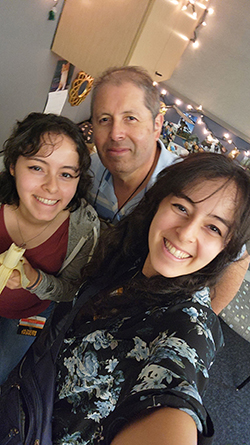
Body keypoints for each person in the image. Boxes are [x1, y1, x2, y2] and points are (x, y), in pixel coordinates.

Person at [32, 152, 250, 444]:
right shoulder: (130, 256)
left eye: (213, 227)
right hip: (29, 400)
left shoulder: (188, 328)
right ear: (159, 202)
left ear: (225, 248)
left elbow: (175, 395)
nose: (185, 233)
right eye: (182, 207)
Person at [88, 65, 249, 315]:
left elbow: (238, 259)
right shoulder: (91, 169)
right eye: (104, 119)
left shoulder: (188, 185)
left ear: (157, 125)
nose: (116, 133)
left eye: (130, 118)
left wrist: (203, 320)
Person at [0, 112, 100, 385]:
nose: (52, 187)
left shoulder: (83, 226)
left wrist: (34, 280)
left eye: (66, 174)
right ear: (12, 165)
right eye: (36, 168)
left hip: (30, 313)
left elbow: (71, 290)